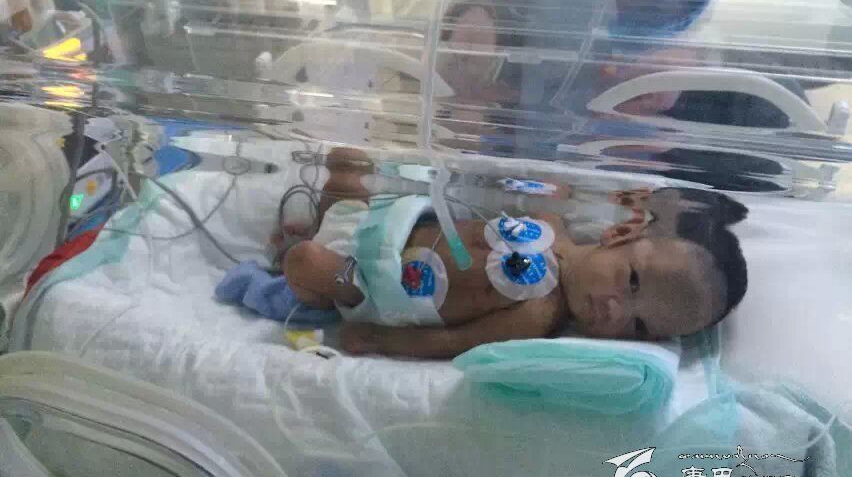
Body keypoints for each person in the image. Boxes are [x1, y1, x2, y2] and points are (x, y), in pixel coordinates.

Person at [280, 148, 748, 359]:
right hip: (386, 221)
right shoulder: (553, 221)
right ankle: (318, 226)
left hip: (367, 284)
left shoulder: (538, 313)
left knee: (306, 262)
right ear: (619, 234)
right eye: (631, 282)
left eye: (638, 326)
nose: (614, 310)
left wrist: (382, 340)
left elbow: (456, 342)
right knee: (347, 165)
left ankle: (299, 256)